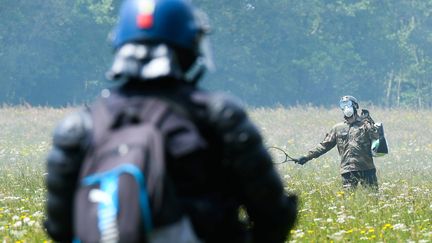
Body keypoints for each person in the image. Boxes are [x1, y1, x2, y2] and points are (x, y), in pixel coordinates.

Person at [44, 0, 298, 242]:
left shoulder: (78, 127)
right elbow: (273, 215)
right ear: (189, 46)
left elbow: (60, 227)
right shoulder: (219, 116)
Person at [294, 95, 380, 190]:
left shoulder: (365, 125)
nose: (346, 107)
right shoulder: (338, 128)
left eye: (348, 104)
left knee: (372, 197)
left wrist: (369, 121)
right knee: (348, 199)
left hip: (367, 168)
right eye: (343, 105)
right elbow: (324, 146)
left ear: (355, 106)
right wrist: (307, 157)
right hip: (348, 170)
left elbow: (376, 137)